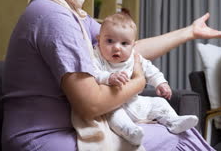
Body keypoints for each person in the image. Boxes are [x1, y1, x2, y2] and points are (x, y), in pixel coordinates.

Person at [1, 0, 221, 151]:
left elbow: (125, 49)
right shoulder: (53, 16)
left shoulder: (67, 13)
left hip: (61, 130)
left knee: (172, 131)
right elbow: (91, 105)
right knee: (177, 135)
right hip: (40, 139)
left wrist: (189, 32)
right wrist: (138, 82)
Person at [72, 12, 198, 147]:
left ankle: (173, 121)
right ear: (99, 39)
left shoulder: (134, 57)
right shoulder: (97, 57)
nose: (116, 47)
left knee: (159, 102)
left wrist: (160, 83)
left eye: (124, 43)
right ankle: (130, 132)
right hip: (113, 105)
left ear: (133, 45)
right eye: (109, 41)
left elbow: (150, 70)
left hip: (136, 102)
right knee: (115, 117)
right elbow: (93, 73)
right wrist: (108, 77)